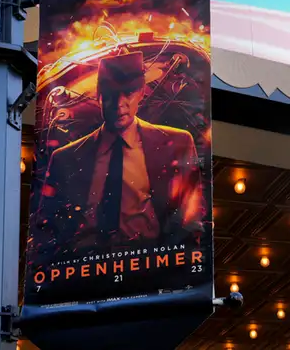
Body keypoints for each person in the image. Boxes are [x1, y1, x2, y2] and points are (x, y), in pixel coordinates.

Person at [37, 51, 204, 254]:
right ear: (99, 96)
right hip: (84, 265)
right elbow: (47, 227)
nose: (119, 105)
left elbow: (190, 219)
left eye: (128, 93)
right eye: (111, 95)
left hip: (150, 262)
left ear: (141, 93)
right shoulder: (64, 158)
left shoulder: (177, 143)